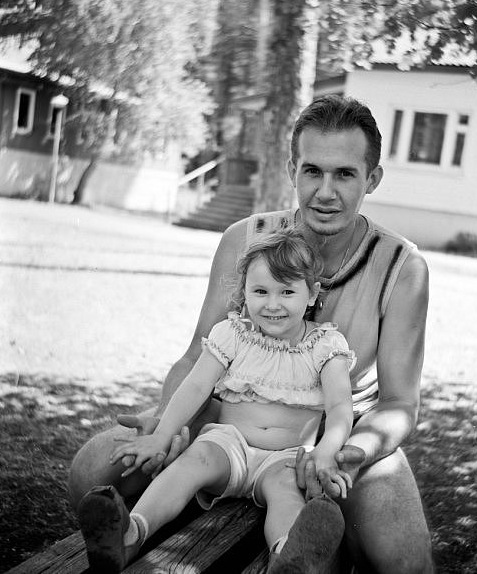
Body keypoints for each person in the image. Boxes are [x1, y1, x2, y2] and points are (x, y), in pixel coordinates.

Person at [69, 94, 433, 573]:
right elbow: (198, 356)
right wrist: (169, 423)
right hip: (234, 412)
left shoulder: (403, 268)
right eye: (312, 171)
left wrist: (348, 454)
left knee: (404, 561)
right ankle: (134, 533)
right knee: (92, 471)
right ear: (292, 169)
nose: (325, 192)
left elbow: (399, 403)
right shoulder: (244, 239)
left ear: (373, 178)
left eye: (345, 174)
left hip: (343, 427)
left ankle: (319, 546)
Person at [77, 229, 356, 573]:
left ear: (311, 293)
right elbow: (196, 386)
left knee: (287, 494)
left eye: (287, 291)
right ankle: (130, 533)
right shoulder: (234, 334)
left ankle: (289, 557)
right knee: (190, 462)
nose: (272, 304)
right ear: (244, 292)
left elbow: (340, 406)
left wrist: (326, 450)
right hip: (228, 444)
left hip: (285, 456)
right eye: (260, 291)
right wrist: (162, 435)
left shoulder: (325, 346)